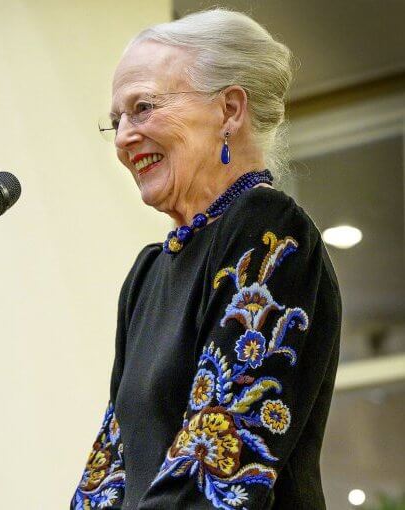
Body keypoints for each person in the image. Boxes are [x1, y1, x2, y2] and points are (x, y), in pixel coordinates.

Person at [72, 9, 341, 510]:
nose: (125, 138)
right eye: (117, 122)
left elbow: (220, 457)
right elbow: (111, 463)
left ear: (230, 110)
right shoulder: (148, 273)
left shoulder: (269, 232)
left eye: (144, 107)